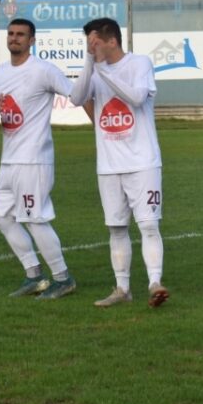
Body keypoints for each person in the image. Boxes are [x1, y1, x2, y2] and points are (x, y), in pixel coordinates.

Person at [68, 18, 169, 309]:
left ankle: (154, 282)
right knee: (116, 228)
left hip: (143, 162)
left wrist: (101, 69)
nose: (92, 46)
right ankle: (122, 288)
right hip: (109, 165)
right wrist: (91, 62)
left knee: (149, 224)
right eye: (88, 42)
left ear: (111, 40)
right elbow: (76, 98)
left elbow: (136, 97)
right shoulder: (95, 68)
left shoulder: (140, 63)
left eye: (95, 41)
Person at [0, 19, 78, 299]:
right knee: (1, 217)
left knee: (35, 219)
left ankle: (63, 278)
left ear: (32, 40)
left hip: (34, 159)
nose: (14, 38)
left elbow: (75, 93)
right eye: (10, 34)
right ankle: (34, 275)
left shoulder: (43, 70)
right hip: (8, 160)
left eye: (21, 35)